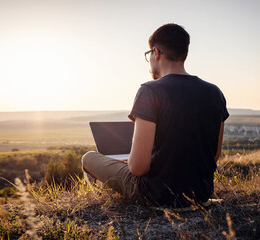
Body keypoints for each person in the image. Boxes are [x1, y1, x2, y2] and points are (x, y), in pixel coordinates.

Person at [81, 23, 229, 207]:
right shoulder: (215, 93)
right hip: (201, 193)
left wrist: (130, 162)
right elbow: (213, 155)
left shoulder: (150, 91)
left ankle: (109, 202)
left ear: (156, 52)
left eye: (149, 54)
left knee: (88, 158)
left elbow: (138, 168)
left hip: (154, 194)